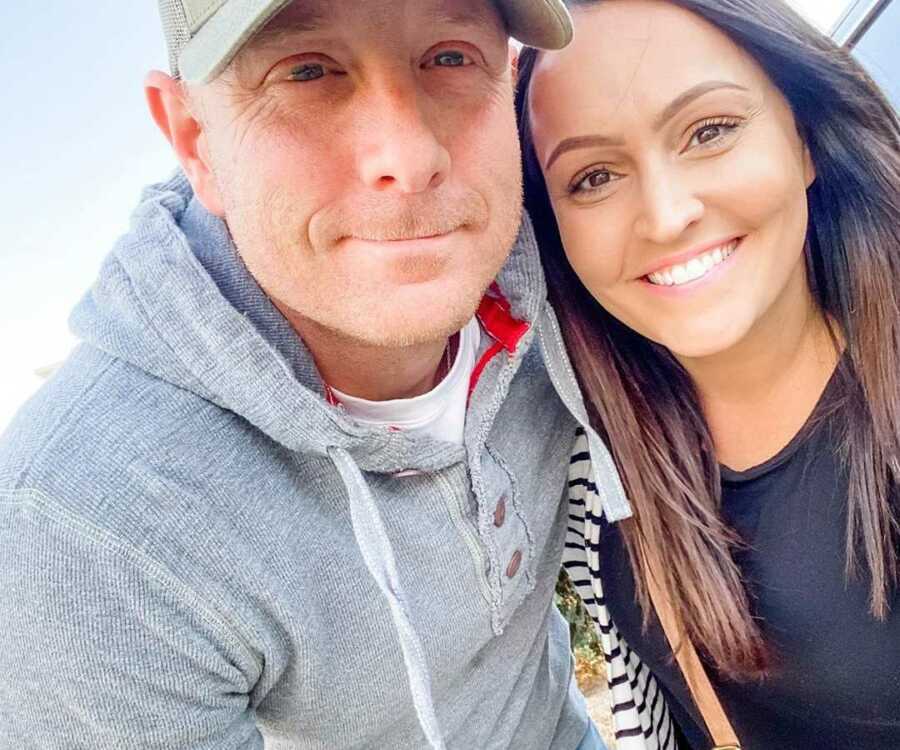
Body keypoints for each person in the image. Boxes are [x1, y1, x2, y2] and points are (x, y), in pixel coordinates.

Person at [0, 1, 633, 747]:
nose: (410, 152)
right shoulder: (86, 534)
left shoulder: (582, 263)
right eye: (306, 72)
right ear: (195, 140)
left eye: (452, 56)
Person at [517, 0, 900, 747]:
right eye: (593, 177)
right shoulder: (582, 456)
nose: (665, 215)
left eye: (710, 131)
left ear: (804, 136)